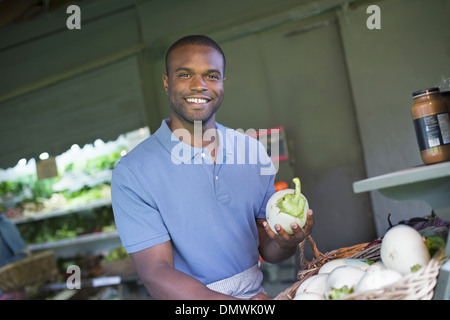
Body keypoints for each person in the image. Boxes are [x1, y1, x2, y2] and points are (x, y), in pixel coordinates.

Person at [111, 35, 314, 300]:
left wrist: (286, 242)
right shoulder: (133, 172)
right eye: (185, 74)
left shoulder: (251, 151)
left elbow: (269, 249)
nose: (199, 85)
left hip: (256, 295)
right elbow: (156, 274)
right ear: (166, 82)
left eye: (211, 76)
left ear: (222, 83)